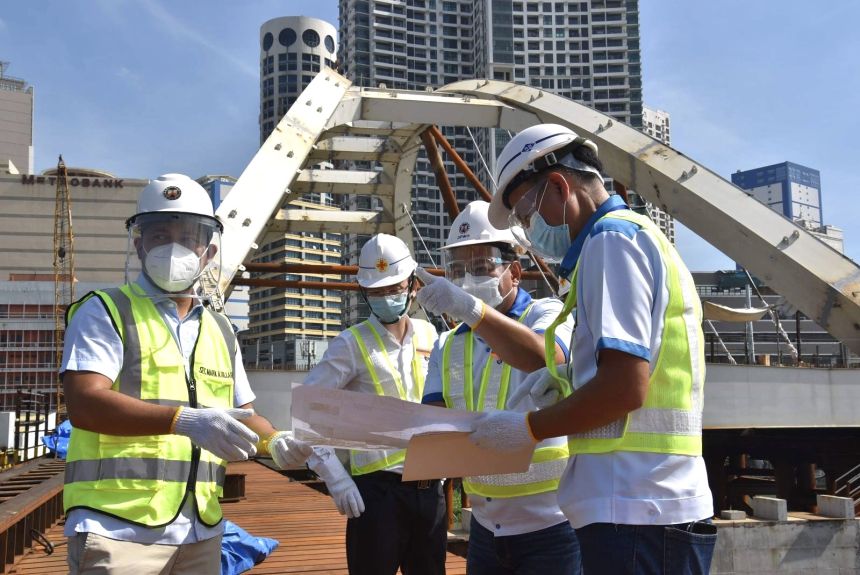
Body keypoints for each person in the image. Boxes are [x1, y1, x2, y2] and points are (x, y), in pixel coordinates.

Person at [469, 124, 717, 574]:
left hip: (636, 509)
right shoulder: (633, 238)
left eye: (526, 213)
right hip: (648, 506)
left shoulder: (611, 242)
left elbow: (624, 389)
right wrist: (565, 383)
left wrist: (528, 428)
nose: (528, 230)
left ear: (559, 187)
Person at [61, 173, 307, 574]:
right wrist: (184, 420)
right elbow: (85, 402)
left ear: (208, 251)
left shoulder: (221, 328)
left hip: (199, 528)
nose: (173, 247)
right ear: (139, 244)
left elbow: (245, 412)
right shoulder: (106, 309)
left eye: (188, 236)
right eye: (159, 234)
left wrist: (276, 441)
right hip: (117, 527)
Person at [415, 200, 581, 575]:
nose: (467, 280)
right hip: (487, 529)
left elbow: (547, 355)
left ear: (516, 273)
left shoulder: (546, 313)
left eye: (481, 267)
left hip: (554, 524)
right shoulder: (448, 343)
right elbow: (437, 422)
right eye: (456, 270)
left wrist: (472, 311)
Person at [290, 234, 446, 575]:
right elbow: (306, 412)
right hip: (377, 495)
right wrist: (335, 477)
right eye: (376, 292)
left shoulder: (430, 335)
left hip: (430, 490)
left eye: (394, 288)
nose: (386, 297)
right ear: (365, 295)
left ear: (413, 285)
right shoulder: (350, 343)